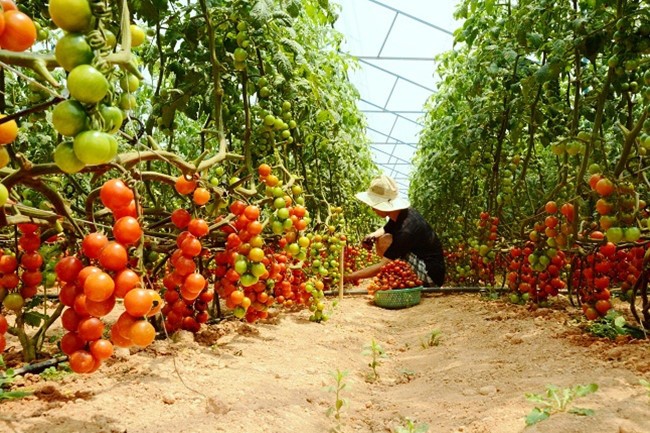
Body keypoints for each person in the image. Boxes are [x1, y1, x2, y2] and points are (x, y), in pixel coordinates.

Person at [343, 174, 445, 287]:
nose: (372, 209)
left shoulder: (406, 230)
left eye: (374, 204)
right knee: (382, 238)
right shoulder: (401, 214)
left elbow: (382, 265)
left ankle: (413, 283)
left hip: (430, 276)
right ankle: (402, 280)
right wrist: (372, 235)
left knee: (385, 241)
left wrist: (348, 277)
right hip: (427, 265)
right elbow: (385, 228)